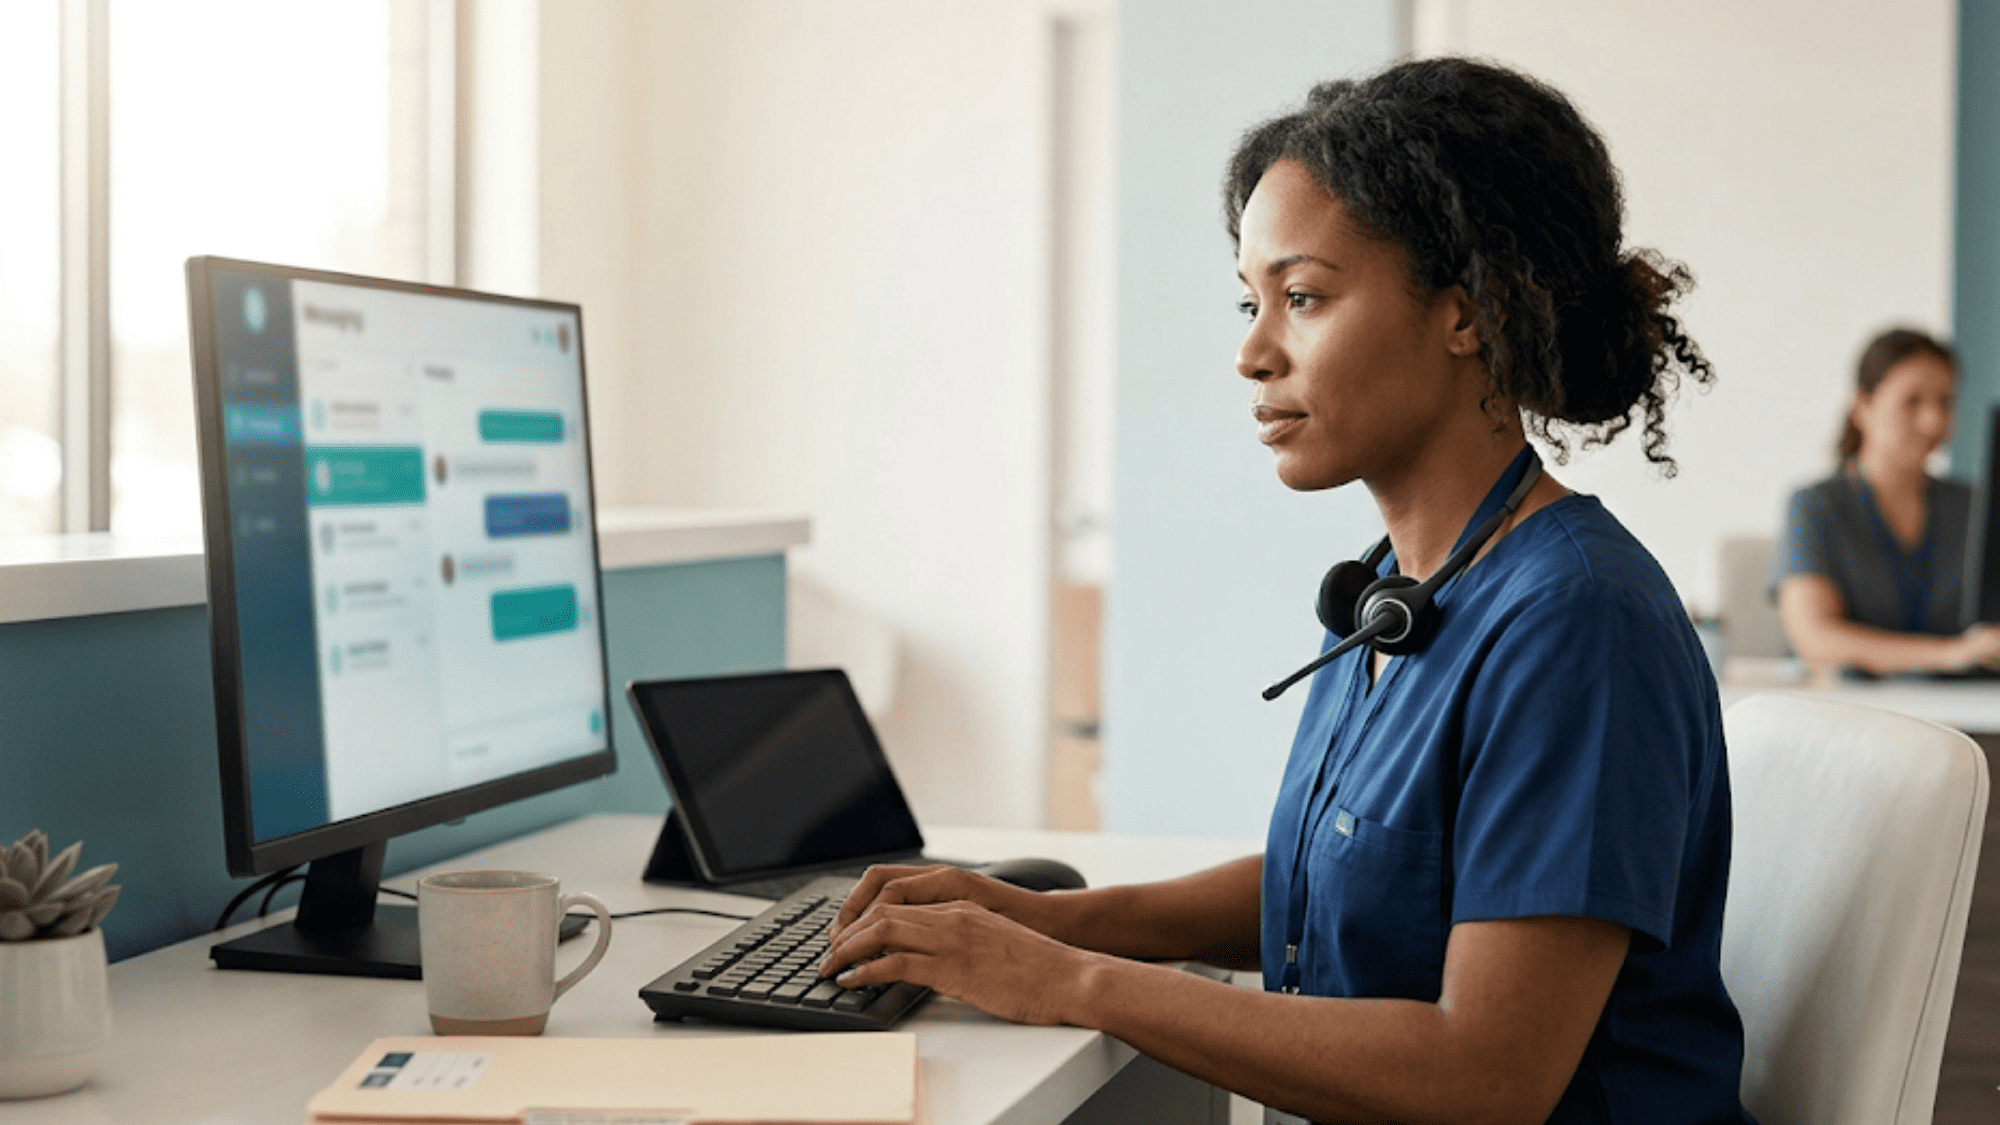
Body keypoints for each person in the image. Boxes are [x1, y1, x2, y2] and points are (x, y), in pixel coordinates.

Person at [821, 57, 1753, 1124]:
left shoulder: (1575, 621)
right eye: (1250, 300)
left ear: (1469, 313)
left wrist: (1069, 980)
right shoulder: (1401, 590)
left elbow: (1484, 1076)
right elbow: (1345, 872)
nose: (1252, 353)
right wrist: (1046, 921)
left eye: (1301, 298)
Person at [1771, 328, 2000, 676]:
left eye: (1945, 402)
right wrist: (1951, 653)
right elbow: (1816, 639)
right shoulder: (1816, 506)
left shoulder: (1974, 507)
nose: (1934, 421)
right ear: (1862, 406)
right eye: (1912, 401)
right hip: (1850, 705)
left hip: (1963, 703)